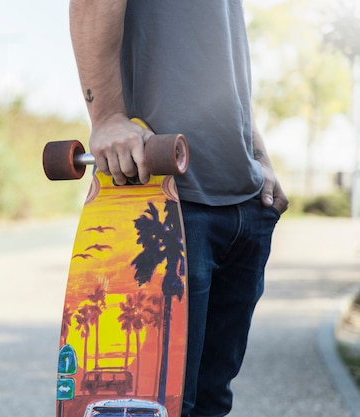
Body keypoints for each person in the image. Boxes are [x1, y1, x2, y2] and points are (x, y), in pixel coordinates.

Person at [68, 1, 289, 416]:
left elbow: (222, 66)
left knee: (212, 401)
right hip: (165, 201)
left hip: (244, 202)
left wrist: (259, 156)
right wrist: (108, 116)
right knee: (157, 407)